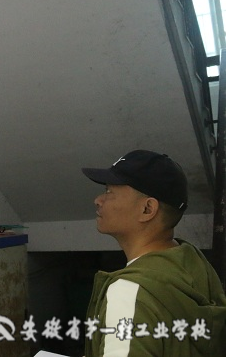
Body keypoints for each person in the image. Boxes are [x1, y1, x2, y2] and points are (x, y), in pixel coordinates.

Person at [81, 149, 226, 356]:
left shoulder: (129, 292)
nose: (98, 200)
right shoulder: (193, 260)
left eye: (109, 191)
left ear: (147, 209)